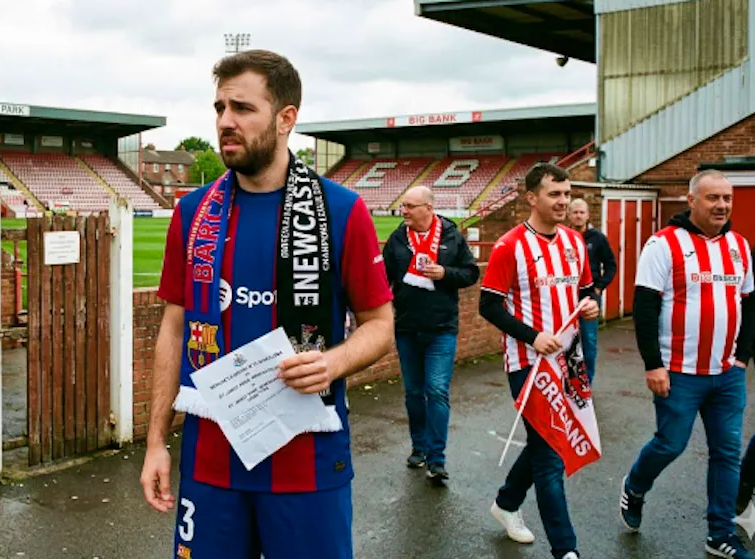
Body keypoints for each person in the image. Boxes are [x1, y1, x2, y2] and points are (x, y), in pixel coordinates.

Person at [138, 49, 395, 559]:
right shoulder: (192, 213)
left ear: (286, 119)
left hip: (309, 465)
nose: (225, 122)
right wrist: (155, 443)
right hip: (210, 466)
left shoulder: (342, 211)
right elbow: (173, 328)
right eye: (218, 108)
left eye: (242, 108)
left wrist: (333, 361)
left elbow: (380, 323)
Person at [619, 169, 755, 559]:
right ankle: (634, 486)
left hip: (727, 373)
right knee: (670, 444)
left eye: (727, 198)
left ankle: (720, 533)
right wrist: (653, 365)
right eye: (713, 198)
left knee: (726, 453)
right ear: (691, 200)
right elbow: (644, 307)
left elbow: (750, 303)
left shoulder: (740, 246)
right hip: (678, 372)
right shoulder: (663, 245)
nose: (722, 205)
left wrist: (742, 358)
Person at [479, 162, 598, 559]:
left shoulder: (574, 242)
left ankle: (507, 503)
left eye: (566, 194)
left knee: (544, 443)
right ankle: (566, 550)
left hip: (569, 362)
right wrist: (533, 336)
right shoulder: (509, 246)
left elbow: (586, 290)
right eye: (554, 194)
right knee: (551, 453)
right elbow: (488, 306)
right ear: (532, 198)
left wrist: (590, 305)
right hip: (528, 363)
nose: (563, 201)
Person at [382, 185, 479, 482]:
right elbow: (383, 278)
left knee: (436, 390)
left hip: (441, 329)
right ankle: (419, 448)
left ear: (428, 208)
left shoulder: (451, 236)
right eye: (403, 206)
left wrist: (445, 274)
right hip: (407, 327)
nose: (404, 211)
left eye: (410, 206)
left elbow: (471, 273)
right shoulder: (398, 239)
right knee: (413, 392)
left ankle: (437, 459)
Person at [567, 198, 616, 384]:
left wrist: (599, 286)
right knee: (566, 340)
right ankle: (568, 381)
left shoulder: (598, 238)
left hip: (589, 296)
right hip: (566, 296)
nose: (578, 216)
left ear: (587, 215)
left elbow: (611, 265)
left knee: (588, 339)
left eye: (581, 212)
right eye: (575, 212)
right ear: (569, 215)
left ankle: (587, 382)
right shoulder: (562, 237)